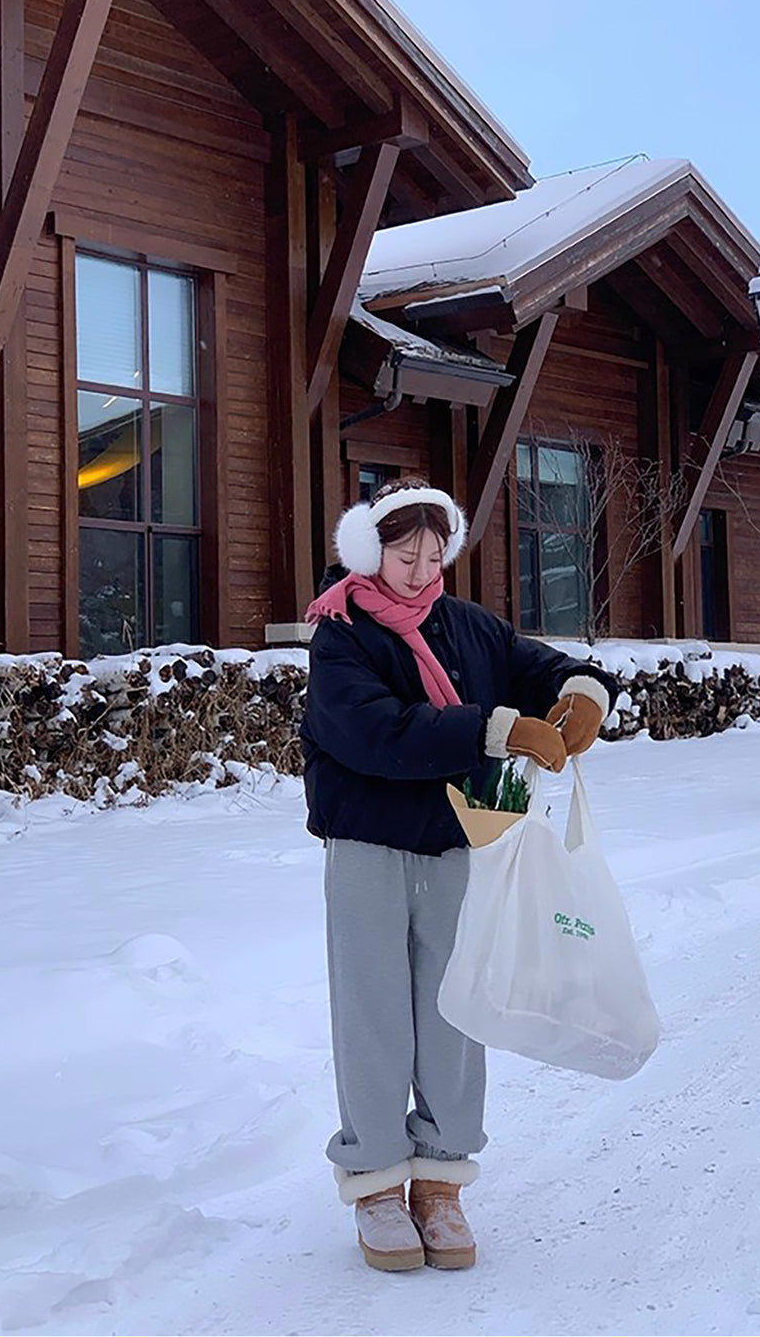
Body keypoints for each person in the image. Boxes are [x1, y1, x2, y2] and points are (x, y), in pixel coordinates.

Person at [300, 478, 618, 1273]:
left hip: (455, 846)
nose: (419, 565)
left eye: (434, 551)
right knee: (373, 1012)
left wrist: (581, 694)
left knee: (455, 1011)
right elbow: (373, 731)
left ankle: (440, 1181)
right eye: (405, 550)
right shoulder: (341, 632)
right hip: (367, 846)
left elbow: (542, 666)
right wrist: (494, 729)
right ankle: (375, 1181)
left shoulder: (470, 628)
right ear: (373, 549)